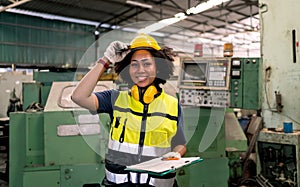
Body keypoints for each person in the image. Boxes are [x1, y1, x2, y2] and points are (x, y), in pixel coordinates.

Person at [71, 33, 186, 187]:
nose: (140, 70)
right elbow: (79, 97)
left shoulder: (172, 105)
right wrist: (106, 60)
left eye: (147, 64)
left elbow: (180, 143)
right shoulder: (115, 99)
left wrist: (176, 154)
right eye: (134, 64)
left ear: (158, 68)